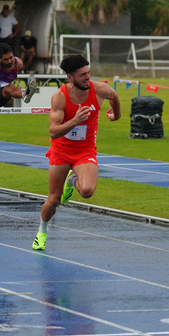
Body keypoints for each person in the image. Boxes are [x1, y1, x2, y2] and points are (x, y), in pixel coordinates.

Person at [33, 54, 121, 251]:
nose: (87, 77)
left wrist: (116, 115)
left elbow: (114, 96)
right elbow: (53, 131)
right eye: (82, 75)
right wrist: (74, 121)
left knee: (87, 191)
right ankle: (42, 231)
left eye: (88, 73)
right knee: (53, 200)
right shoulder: (60, 97)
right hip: (61, 151)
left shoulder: (99, 90)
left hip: (85, 150)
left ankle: (72, 180)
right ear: (70, 77)